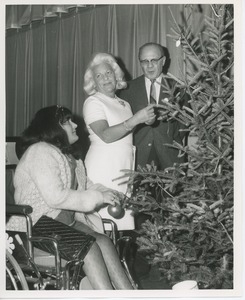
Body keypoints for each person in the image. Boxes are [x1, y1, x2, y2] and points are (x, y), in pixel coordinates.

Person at [9, 105, 134, 290]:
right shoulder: (40, 151)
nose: (75, 124)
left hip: (63, 224)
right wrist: (98, 197)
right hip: (34, 227)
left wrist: (109, 193)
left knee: (103, 241)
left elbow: (85, 186)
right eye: (67, 121)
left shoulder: (71, 157)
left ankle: (128, 293)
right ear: (53, 127)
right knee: (89, 248)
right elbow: (56, 197)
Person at [83, 52, 156, 231]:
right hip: (104, 168)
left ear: (116, 75)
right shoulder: (93, 102)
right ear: (94, 82)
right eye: (98, 76)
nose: (105, 78)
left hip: (123, 167)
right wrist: (135, 120)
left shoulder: (124, 103)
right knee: (104, 226)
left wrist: (145, 120)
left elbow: (124, 132)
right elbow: (106, 135)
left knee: (120, 226)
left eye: (108, 73)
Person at [119, 42, 188, 171]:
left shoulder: (179, 89)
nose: (149, 66)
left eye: (154, 60)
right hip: (138, 158)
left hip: (171, 157)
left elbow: (184, 125)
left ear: (163, 61)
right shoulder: (128, 89)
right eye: (144, 61)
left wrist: (171, 139)